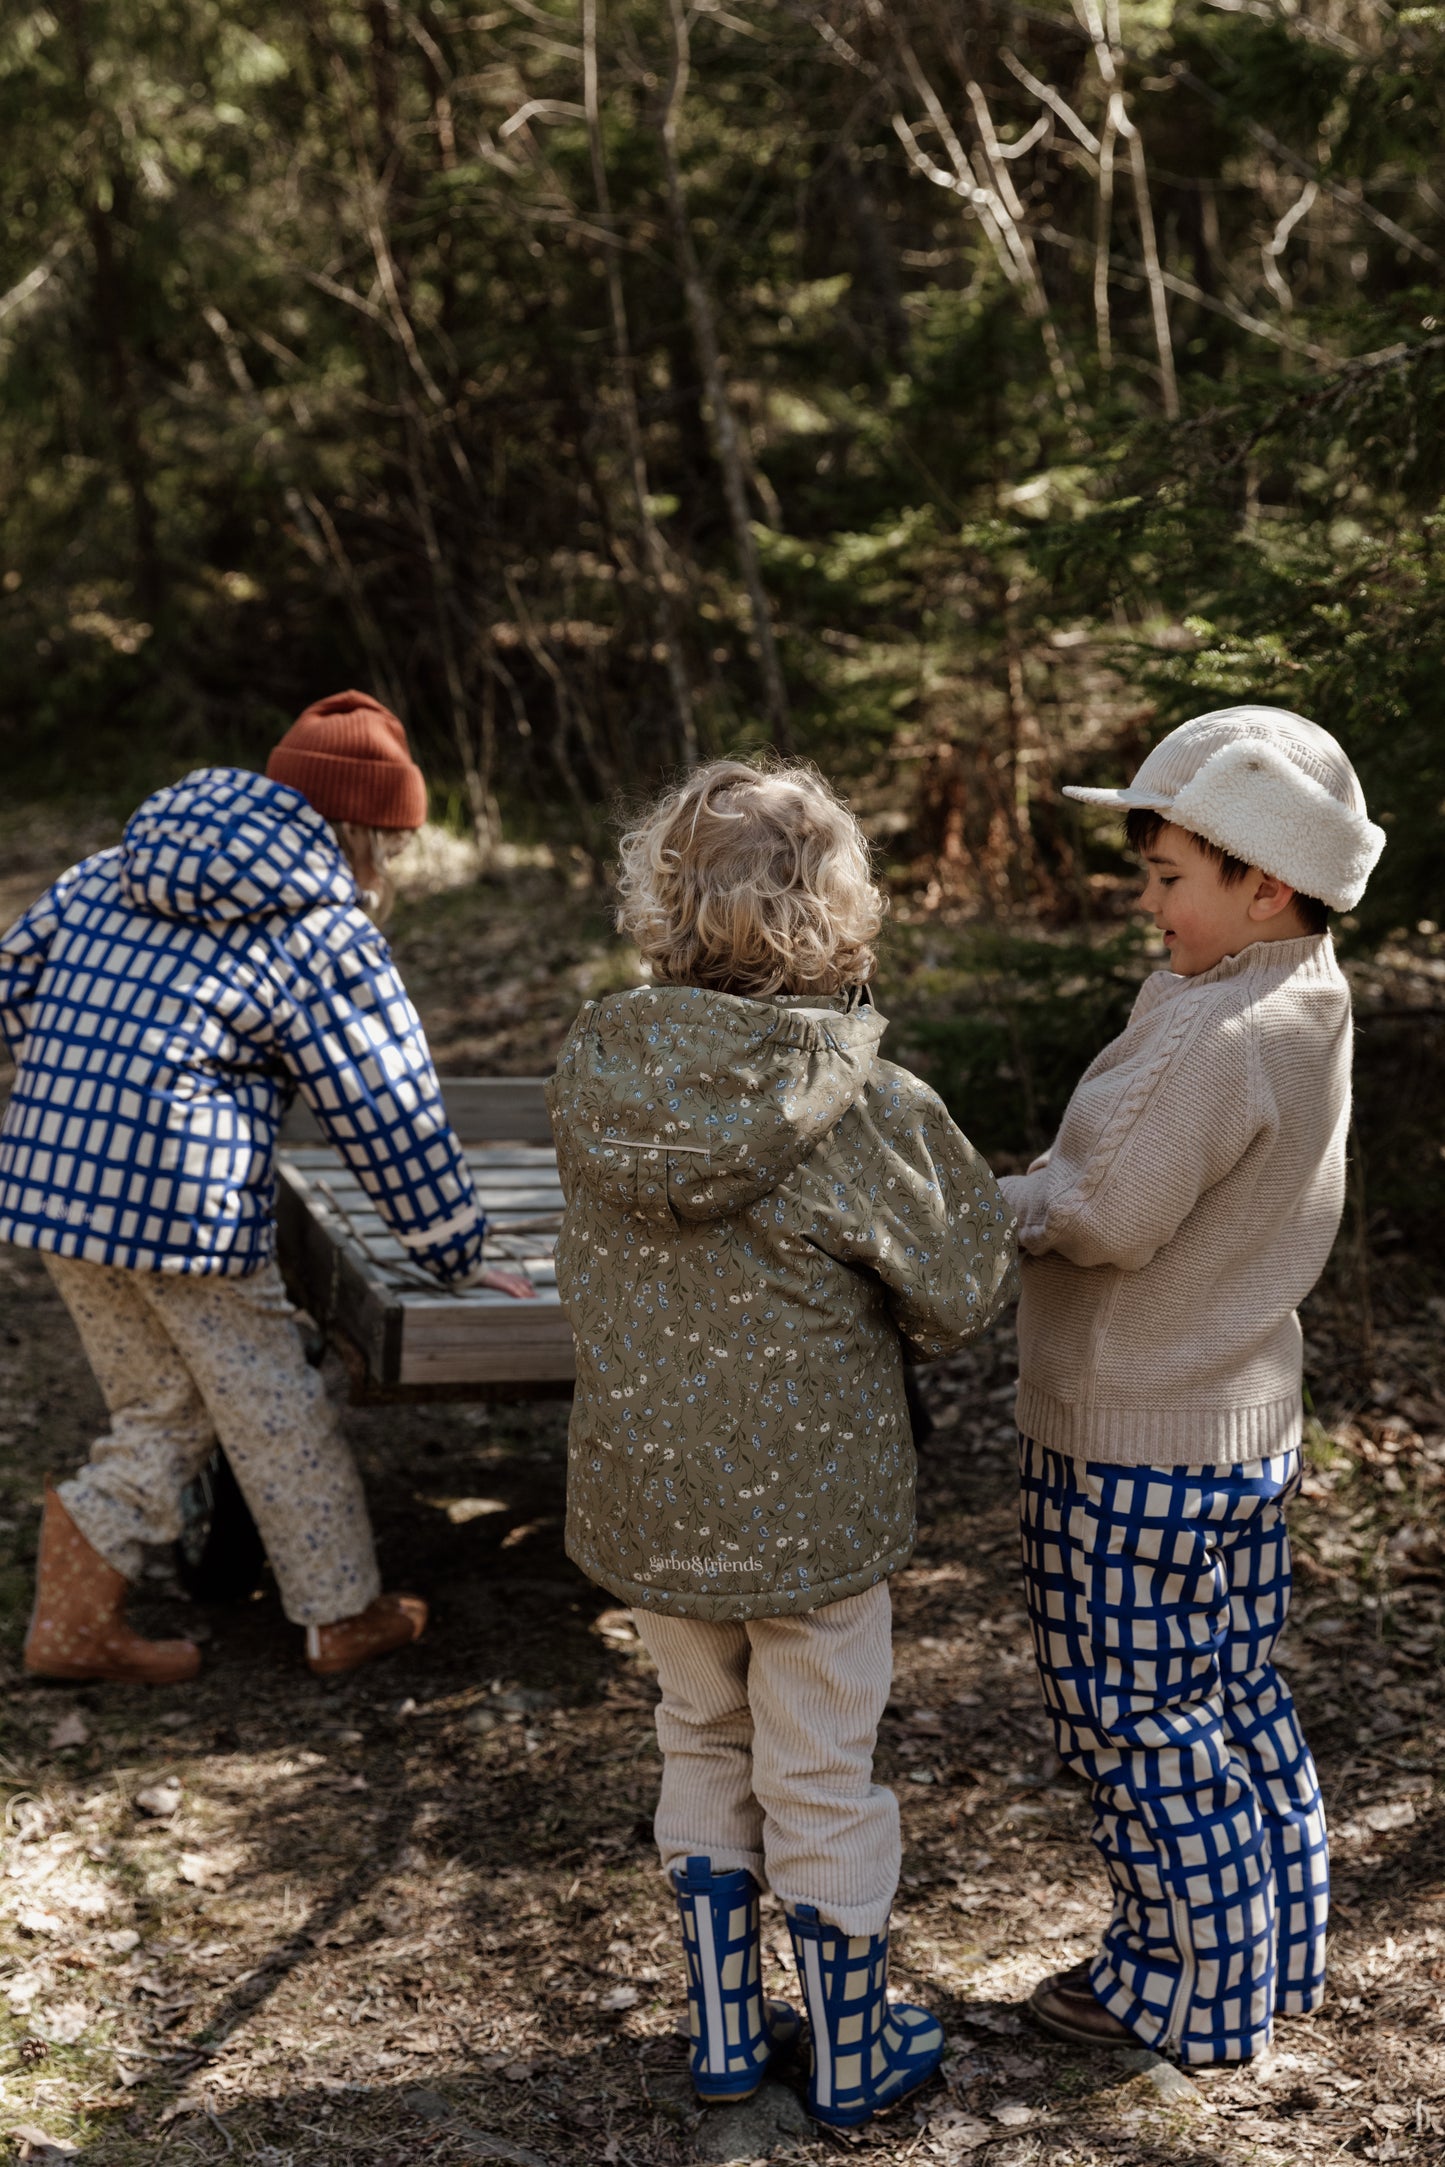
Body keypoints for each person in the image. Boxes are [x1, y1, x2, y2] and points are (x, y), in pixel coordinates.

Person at [547, 759, 1017, 2130]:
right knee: (816, 1764)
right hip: (813, 1513)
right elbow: (960, 1284)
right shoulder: (868, 1099)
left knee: (697, 1732)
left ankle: (721, 2031)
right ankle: (853, 2045)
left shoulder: (596, 1061)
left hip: (651, 1492)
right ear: (838, 912)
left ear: (667, 899)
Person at [0, 689, 531, 1687]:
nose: (390, 869)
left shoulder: (111, 870)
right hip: (183, 1208)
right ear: (362, 831)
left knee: (163, 1408)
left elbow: (11, 984)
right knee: (273, 1406)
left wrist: (75, 1102)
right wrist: (456, 1250)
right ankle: (342, 1615)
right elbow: (388, 1110)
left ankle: (72, 1627)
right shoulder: (320, 933)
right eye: (393, 844)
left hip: (55, 1188)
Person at [1000, 705, 1385, 2066]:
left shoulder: (1214, 1030)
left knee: (1134, 1719)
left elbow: (1104, 1209)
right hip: (1236, 1422)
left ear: (1263, 881)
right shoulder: (1306, 993)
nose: (1146, 903)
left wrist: (1000, 1205)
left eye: (1169, 879)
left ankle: (1186, 1982)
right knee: (1228, 1694)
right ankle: (1276, 1948)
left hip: (1129, 1433)